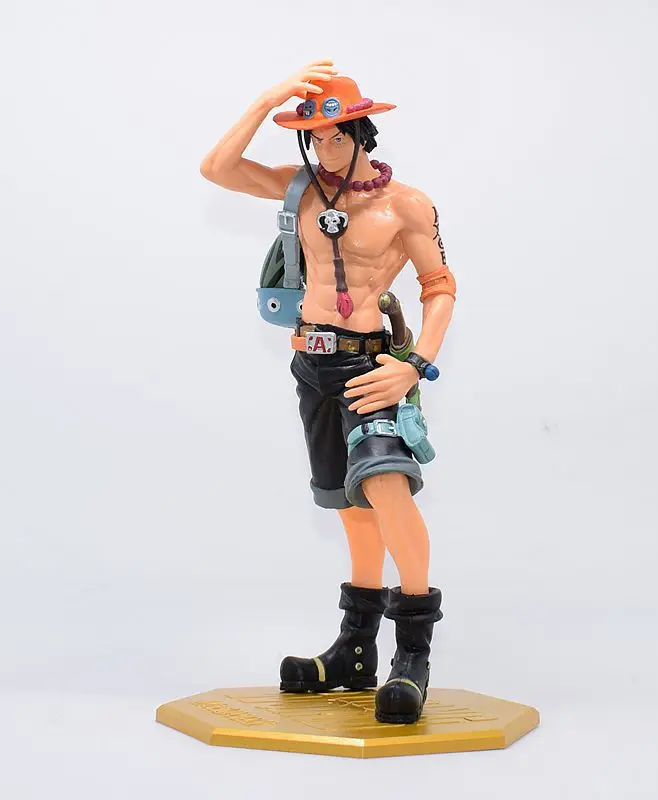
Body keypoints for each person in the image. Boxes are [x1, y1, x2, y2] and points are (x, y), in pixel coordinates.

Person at [199, 60, 457, 724]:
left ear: (362, 132)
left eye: (336, 135)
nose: (325, 148)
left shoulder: (406, 204)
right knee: (347, 501)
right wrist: (267, 99)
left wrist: (415, 364)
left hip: (370, 368)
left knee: (387, 488)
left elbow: (439, 288)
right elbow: (217, 169)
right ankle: (356, 649)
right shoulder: (301, 190)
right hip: (311, 365)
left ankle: (413, 654)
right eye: (313, 137)